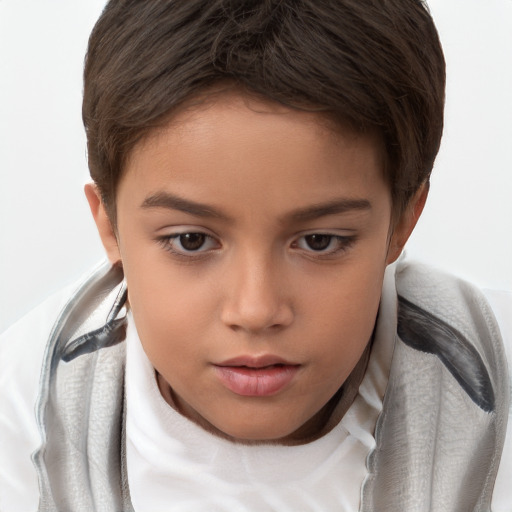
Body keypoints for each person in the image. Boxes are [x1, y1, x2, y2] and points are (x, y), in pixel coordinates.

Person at [1, 0, 511, 511]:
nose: (256, 310)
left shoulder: (496, 385)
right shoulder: (24, 415)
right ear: (109, 227)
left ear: (402, 221)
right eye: (191, 241)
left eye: (319, 241)